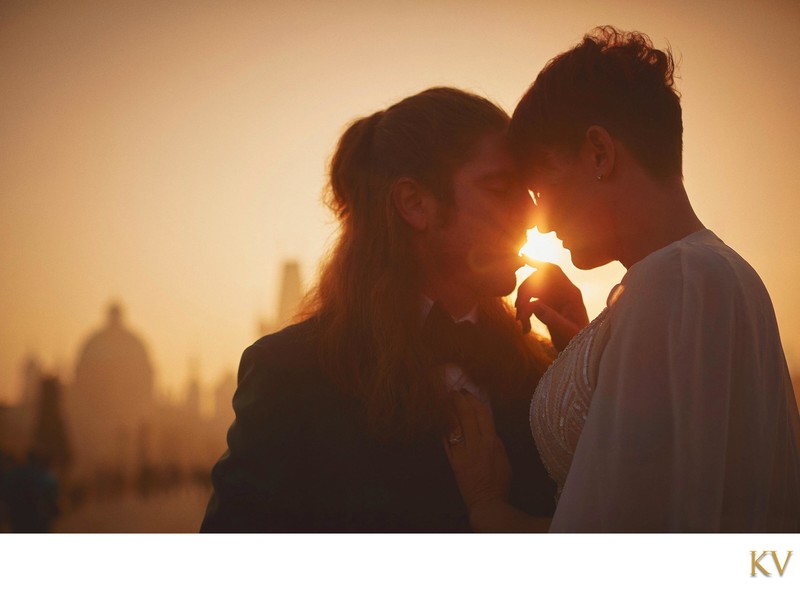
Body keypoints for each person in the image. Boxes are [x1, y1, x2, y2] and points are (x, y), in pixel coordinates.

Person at [446, 26, 800, 532]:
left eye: (542, 187)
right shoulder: (721, 273)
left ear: (599, 153)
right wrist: (592, 355)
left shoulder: (675, 281)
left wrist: (487, 508)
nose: (541, 222)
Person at [201, 87, 564, 532]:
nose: (531, 216)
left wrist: (584, 357)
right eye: (500, 188)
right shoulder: (289, 376)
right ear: (414, 203)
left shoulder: (547, 372)